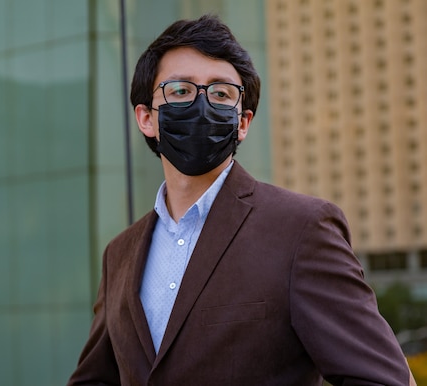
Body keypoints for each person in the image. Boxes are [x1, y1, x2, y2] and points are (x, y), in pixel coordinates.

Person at [68, 14, 417, 386]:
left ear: (243, 122)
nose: (201, 105)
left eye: (220, 93)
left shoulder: (301, 231)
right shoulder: (119, 254)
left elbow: (384, 379)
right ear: (146, 119)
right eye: (181, 91)